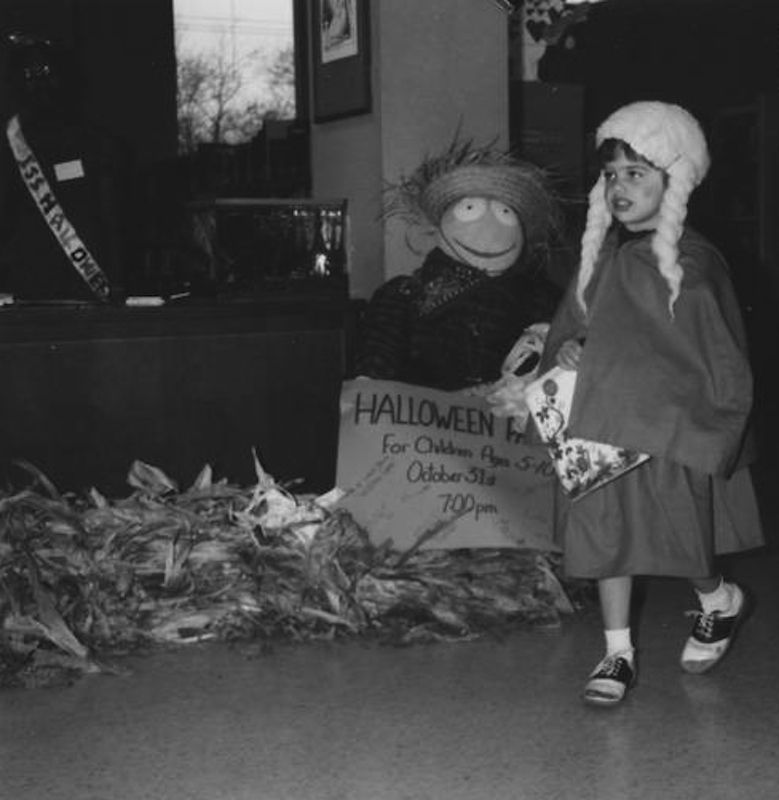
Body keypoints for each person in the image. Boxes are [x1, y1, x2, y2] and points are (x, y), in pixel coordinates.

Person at [535, 101, 764, 707]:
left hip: (665, 428)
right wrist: (567, 353)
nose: (619, 186)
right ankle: (617, 653)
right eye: (611, 174)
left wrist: (605, 353)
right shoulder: (602, 257)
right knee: (606, 532)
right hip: (603, 426)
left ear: (675, 180)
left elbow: (706, 351)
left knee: (678, 536)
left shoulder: (692, 260)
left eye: (636, 173)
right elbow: (575, 330)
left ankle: (717, 599)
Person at [354, 136, 564, 392]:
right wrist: (368, 383)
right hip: (421, 423)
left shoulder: (539, 298)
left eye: (504, 215)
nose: (489, 231)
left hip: (503, 420)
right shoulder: (405, 295)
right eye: (470, 210)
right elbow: (381, 348)